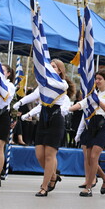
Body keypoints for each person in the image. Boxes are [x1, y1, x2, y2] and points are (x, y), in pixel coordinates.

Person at [15, 59, 74, 196]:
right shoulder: (44, 83)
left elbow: (55, 89)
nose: (50, 68)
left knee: (49, 156)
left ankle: (44, 186)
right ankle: (53, 176)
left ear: (59, 70)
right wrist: (20, 103)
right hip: (43, 119)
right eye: (49, 66)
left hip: (55, 120)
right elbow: (35, 96)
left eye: (53, 67)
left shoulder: (62, 84)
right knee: (39, 154)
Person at [69, 69, 105, 197]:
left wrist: (98, 101)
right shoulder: (93, 93)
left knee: (93, 157)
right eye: (96, 79)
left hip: (102, 124)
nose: (97, 81)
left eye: (99, 79)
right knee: (88, 158)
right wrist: (68, 108)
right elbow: (82, 104)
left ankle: (89, 187)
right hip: (91, 124)